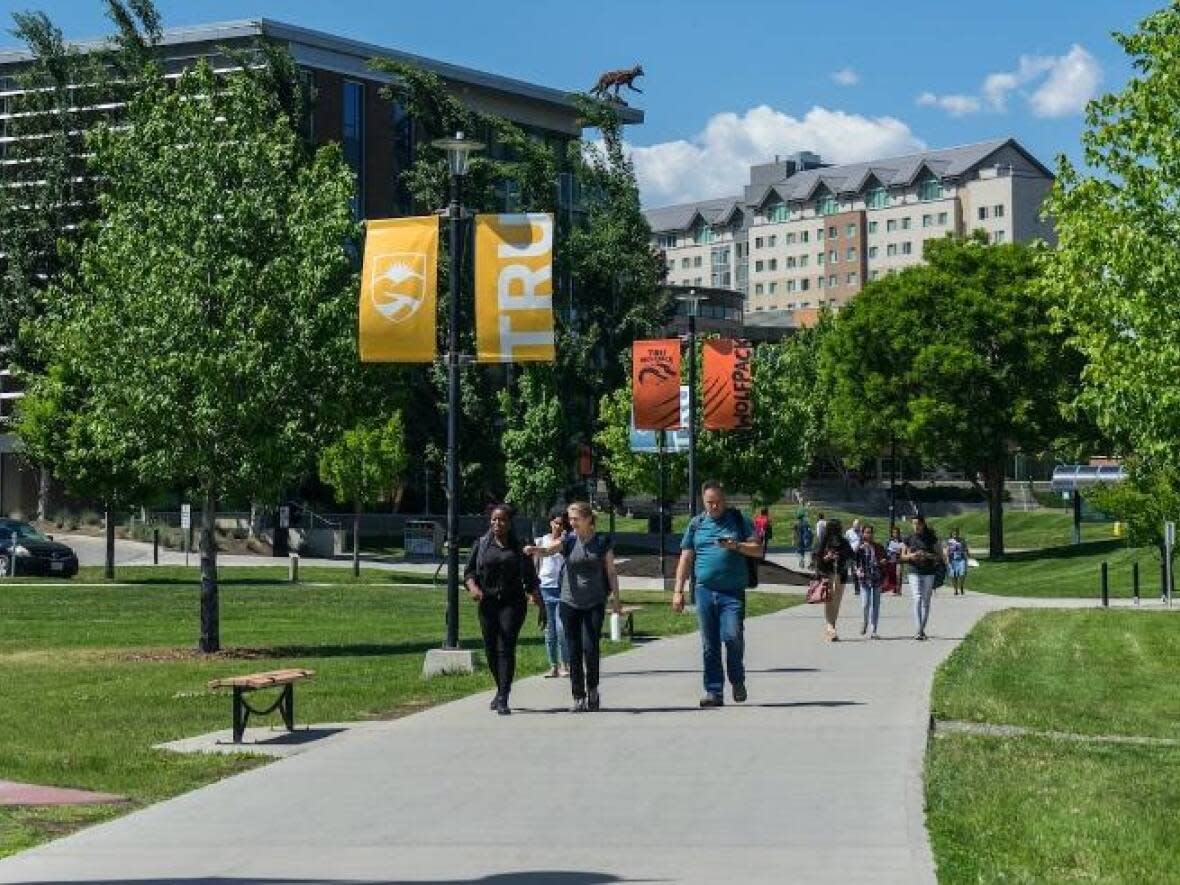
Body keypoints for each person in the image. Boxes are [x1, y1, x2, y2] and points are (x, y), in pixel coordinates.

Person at [526, 502, 621, 712]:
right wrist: (535, 550)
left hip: (594, 602)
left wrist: (616, 599)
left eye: (575, 518)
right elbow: (550, 550)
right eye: (570, 519)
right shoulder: (568, 540)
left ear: (588, 519)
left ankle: (593, 689)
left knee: (590, 648)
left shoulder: (602, 542)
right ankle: (578, 696)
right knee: (574, 649)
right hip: (569, 602)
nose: (571, 523)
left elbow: (611, 572)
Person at [673, 480, 760, 706]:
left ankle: (737, 680)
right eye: (710, 502)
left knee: (732, 637)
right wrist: (678, 591)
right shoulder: (696, 524)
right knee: (709, 644)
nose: (714, 506)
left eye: (718, 501)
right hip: (704, 591)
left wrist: (737, 546)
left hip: (732, 592)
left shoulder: (739, 521)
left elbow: (758, 549)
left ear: (725, 499)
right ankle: (714, 691)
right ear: (703, 501)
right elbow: (685, 557)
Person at [464, 504, 543, 714]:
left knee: (505, 646)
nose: (497, 524)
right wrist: (473, 588)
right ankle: (500, 689)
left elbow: (531, 579)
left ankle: (503, 697)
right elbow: (469, 573)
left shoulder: (519, 547)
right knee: (490, 649)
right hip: (487, 603)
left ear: (509, 523)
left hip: (513, 603)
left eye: (501, 520)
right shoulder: (481, 544)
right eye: (494, 520)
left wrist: (541, 606)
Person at [533, 511, 570, 678]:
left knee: (561, 628)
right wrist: (533, 592)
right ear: (550, 523)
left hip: (561, 589)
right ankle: (553, 666)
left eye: (561, 523)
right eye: (555, 523)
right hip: (544, 588)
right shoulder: (542, 541)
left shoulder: (566, 542)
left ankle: (565, 664)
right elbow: (535, 566)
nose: (558, 526)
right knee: (549, 630)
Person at [902, 514, 941, 640]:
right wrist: (912, 555)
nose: (915, 526)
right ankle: (919, 630)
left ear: (923, 524)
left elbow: (938, 556)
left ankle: (921, 629)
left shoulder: (931, 538)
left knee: (926, 601)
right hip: (914, 571)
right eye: (913, 524)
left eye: (917, 524)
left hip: (929, 572)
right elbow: (903, 556)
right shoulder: (908, 538)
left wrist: (926, 555)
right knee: (917, 598)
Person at [815, 517, 855, 641]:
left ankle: (831, 627)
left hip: (841, 575)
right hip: (828, 574)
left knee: (836, 601)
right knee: (829, 600)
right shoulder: (823, 542)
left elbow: (851, 557)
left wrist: (841, 557)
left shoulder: (844, 542)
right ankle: (830, 627)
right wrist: (826, 558)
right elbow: (816, 557)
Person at [855, 524, 887, 638]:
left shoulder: (878, 547)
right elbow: (855, 563)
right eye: (866, 532)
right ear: (862, 534)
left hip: (877, 577)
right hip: (864, 578)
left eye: (870, 532)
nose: (868, 534)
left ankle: (874, 630)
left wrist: (883, 561)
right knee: (865, 604)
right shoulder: (860, 548)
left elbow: (885, 558)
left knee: (876, 604)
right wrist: (858, 570)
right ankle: (865, 622)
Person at [944, 527, 970, 596]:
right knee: (954, 575)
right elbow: (947, 550)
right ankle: (955, 589)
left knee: (962, 573)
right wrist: (947, 558)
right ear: (952, 534)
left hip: (961, 559)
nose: (955, 535)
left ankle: (961, 586)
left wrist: (968, 555)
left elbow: (966, 548)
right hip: (952, 560)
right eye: (954, 533)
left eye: (956, 533)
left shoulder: (962, 540)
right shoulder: (949, 541)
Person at [884, 524, 905, 595]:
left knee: (898, 574)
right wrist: (889, 552)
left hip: (899, 560)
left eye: (896, 533)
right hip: (891, 560)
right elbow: (886, 550)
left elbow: (904, 549)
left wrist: (901, 551)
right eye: (894, 533)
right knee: (892, 575)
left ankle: (899, 590)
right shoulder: (889, 541)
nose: (895, 534)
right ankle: (894, 589)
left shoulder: (902, 541)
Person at [845, 518, 864, 595]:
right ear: (853, 525)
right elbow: (846, 542)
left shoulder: (862, 533)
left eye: (858, 526)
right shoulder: (848, 532)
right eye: (855, 526)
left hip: (860, 553)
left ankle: (862, 587)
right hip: (852, 553)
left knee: (861, 569)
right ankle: (857, 589)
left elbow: (865, 542)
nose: (857, 528)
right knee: (854, 570)